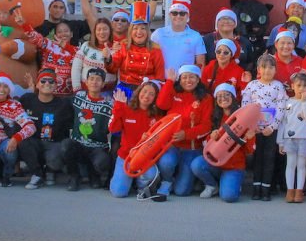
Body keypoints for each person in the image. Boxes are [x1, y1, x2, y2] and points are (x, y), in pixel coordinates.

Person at [156, 65, 214, 199]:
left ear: (198, 79)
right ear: (180, 79)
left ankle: (185, 178)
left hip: (192, 148)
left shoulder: (205, 98)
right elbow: (161, 105)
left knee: (181, 191)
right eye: (184, 77)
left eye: (192, 77)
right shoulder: (174, 92)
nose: (188, 80)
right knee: (166, 162)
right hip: (173, 144)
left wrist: (186, 134)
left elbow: (206, 126)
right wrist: (169, 82)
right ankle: (167, 180)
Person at [191, 83, 254, 202]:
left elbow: (249, 151)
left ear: (233, 97)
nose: (223, 98)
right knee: (197, 164)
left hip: (234, 166)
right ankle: (212, 185)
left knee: (229, 197)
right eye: (219, 96)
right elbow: (206, 145)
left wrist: (249, 138)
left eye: (226, 95)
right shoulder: (214, 117)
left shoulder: (242, 117)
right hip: (216, 162)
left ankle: (231, 183)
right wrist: (211, 137)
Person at [242, 54, 288, 200]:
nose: (267, 70)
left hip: (271, 130)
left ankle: (266, 189)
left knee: (269, 158)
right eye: (264, 67)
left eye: (270, 67)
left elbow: (281, 107)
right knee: (258, 158)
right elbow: (246, 105)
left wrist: (273, 126)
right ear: (258, 69)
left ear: (275, 69)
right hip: (255, 129)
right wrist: (251, 125)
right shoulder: (252, 85)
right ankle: (256, 188)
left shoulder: (278, 86)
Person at [58, 67, 113, 190]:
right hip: (79, 145)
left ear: (103, 84)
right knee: (66, 145)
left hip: (98, 147)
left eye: (98, 80)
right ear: (86, 82)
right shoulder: (78, 97)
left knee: (102, 162)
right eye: (91, 79)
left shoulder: (110, 104)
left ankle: (94, 175)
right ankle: (74, 176)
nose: (94, 82)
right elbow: (57, 105)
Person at [19, 68, 74, 189]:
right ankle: (37, 174)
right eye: (43, 81)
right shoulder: (27, 100)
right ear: (37, 84)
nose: (47, 84)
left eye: (51, 81)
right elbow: (10, 108)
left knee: (60, 151)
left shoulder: (64, 104)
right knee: (21, 140)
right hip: (34, 143)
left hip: (54, 144)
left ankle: (50, 170)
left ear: (56, 85)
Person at [108, 80, 164, 198]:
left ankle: (139, 184)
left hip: (144, 157)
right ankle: (123, 178)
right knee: (119, 193)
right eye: (144, 91)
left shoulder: (157, 115)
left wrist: (147, 139)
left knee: (151, 175)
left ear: (155, 98)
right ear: (139, 92)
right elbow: (113, 129)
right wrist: (118, 106)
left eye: (151, 94)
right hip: (126, 157)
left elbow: (160, 140)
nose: (146, 96)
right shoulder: (126, 108)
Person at [277, 71, 306, 203]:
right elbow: (283, 122)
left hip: (304, 138)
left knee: (301, 165)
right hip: (290, 138)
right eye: (299, 85)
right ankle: (290, 190)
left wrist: (304, 102)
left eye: (305, 86)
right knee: (290, 164)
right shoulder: (288, 102)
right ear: (293, 86)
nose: (302, 89)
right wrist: (280, 141)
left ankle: (299, 190)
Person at [20, 12, 78, 96]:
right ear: (55, 35)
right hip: (45, 93)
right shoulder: (49, 45)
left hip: (67, 98)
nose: (63, 34)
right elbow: (35, 37)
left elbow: (83, 56)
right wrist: (24, 25)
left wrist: (65, 46)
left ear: (71, 34)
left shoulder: (77, 50)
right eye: (59, 32)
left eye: (66, 31)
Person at [106, 18, 165, 93]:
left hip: (145, 92)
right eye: (135, 28)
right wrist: (108, 58)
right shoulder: (123, 46)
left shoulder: (155, 50)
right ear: (130, 31)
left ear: (147, 31)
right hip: (125, 90)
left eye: (143, 28)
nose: (139, 32)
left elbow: (160, 77)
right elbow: (112, 69)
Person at [151, 0, 206, 73]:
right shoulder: (158, 34)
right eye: (174, 13)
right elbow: (149, 57)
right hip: (161, 80)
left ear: (188, 16)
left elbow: (201, 64)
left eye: (182, 13)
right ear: (170, 15)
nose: (178, 16)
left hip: (185, 82)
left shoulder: (196, 36)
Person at [72, 18, 116, 92]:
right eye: (99, 29)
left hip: (107, 92)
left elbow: (118, 72)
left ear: (110, 31)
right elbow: (76, 68)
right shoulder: (86, 46)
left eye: (105, 29)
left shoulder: (116, 48)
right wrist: (76, 88)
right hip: (85, 90)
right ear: (94, 32)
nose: (102, 32)